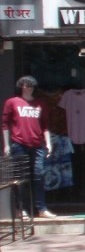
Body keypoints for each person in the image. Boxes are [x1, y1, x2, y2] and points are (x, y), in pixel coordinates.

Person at [2, 76, 56, 219]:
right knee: (21, 178)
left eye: (31, 85)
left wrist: (48, 143)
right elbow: (5, 124)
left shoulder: (40, 104)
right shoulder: (12, 102)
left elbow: (45, 125)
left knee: (39, 175)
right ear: (21, 86)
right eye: (26, 85)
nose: (29, 87)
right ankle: (21, 209)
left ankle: (41, 208)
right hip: (19, 143)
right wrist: (6, 144)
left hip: (37, 144)